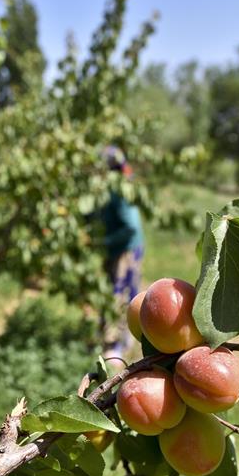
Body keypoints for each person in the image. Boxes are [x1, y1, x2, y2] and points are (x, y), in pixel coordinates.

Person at [99, 145, 144, 360]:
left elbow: (131, 227)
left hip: (126, 249)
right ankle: (110, 337)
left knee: (121, 293)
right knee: (112, 291)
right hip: (116, 247)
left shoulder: (118, 191)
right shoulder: (108, 188)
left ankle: (119, 345)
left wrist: (102, 241)